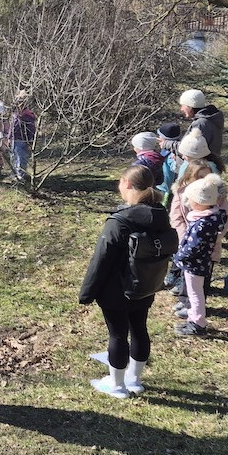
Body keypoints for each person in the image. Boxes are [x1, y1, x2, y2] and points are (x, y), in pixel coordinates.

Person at [78, 166, 173, 398]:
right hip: (146, 284)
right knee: (139, 329)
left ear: (126, 183)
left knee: (117, 335)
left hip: (116, 290)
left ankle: (117, 386)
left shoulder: (119, 222)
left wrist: (87, 293)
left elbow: (101, 260)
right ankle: (135, 380)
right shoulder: (161, 216)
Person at [173, 174, 228, 338]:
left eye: (189, 200)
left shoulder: (202, 225)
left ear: (198, 202)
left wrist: (179, 257)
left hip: (194, 265)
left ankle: (198, 324)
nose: (188, 203)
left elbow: (193, 247)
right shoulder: (211, 218)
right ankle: (193, 319)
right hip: (199, 262)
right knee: (195, 293)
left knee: (195, 294)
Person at [176, 89, 225, 170]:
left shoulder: (201, 124)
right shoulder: (207, 120)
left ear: (190, 106)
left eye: (183, 105)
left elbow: (191, 149)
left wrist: (167, 144)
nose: (181, 109)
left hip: (200, 169)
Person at [8, 91, 37, 185]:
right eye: (18, 102)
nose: (19, 104)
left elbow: (31, 130)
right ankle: (14, 173)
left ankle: (21, 175)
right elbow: (12, 126)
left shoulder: (28, 115)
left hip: (23, 140)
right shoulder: (15, 114)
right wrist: (9, 137)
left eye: (21, 102)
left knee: (21, 158)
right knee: (13, 157)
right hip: (14, 139)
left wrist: (30, 142)